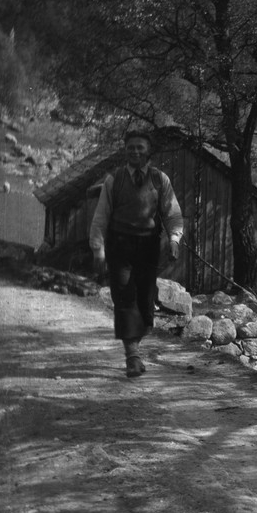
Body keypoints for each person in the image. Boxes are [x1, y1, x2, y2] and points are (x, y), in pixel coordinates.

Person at [90, 131, 184, 378]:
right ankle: (132, 356)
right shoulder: (114, 180)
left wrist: (174, 239)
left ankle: (135, 345)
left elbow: (172, 213)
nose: (135, 151)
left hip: (148, 246)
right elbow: (100, 217)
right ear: (125, 151)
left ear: (148, 151)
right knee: (124, 297)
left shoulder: (159, 179)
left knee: (145, 302)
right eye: (130, 147)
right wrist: (98, 250)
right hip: (119, 245)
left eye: (140, 147)